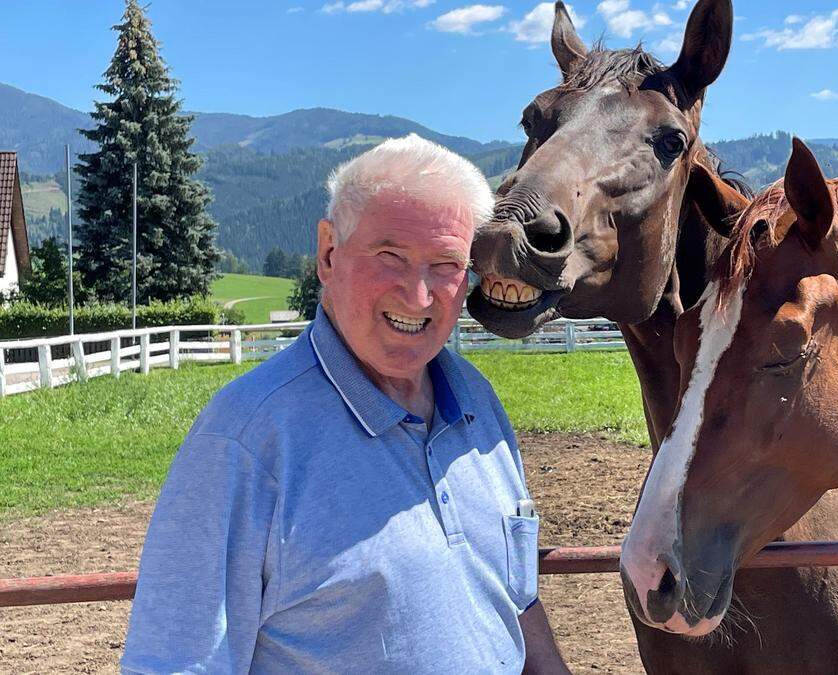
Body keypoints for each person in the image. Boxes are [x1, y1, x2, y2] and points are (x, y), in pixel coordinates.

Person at [121, 135, 569, 673]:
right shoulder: (245, 443)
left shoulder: (477, 403)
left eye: (446, 264)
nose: (419, 296)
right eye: (391, 256)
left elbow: (514, 597)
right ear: (328, 253)